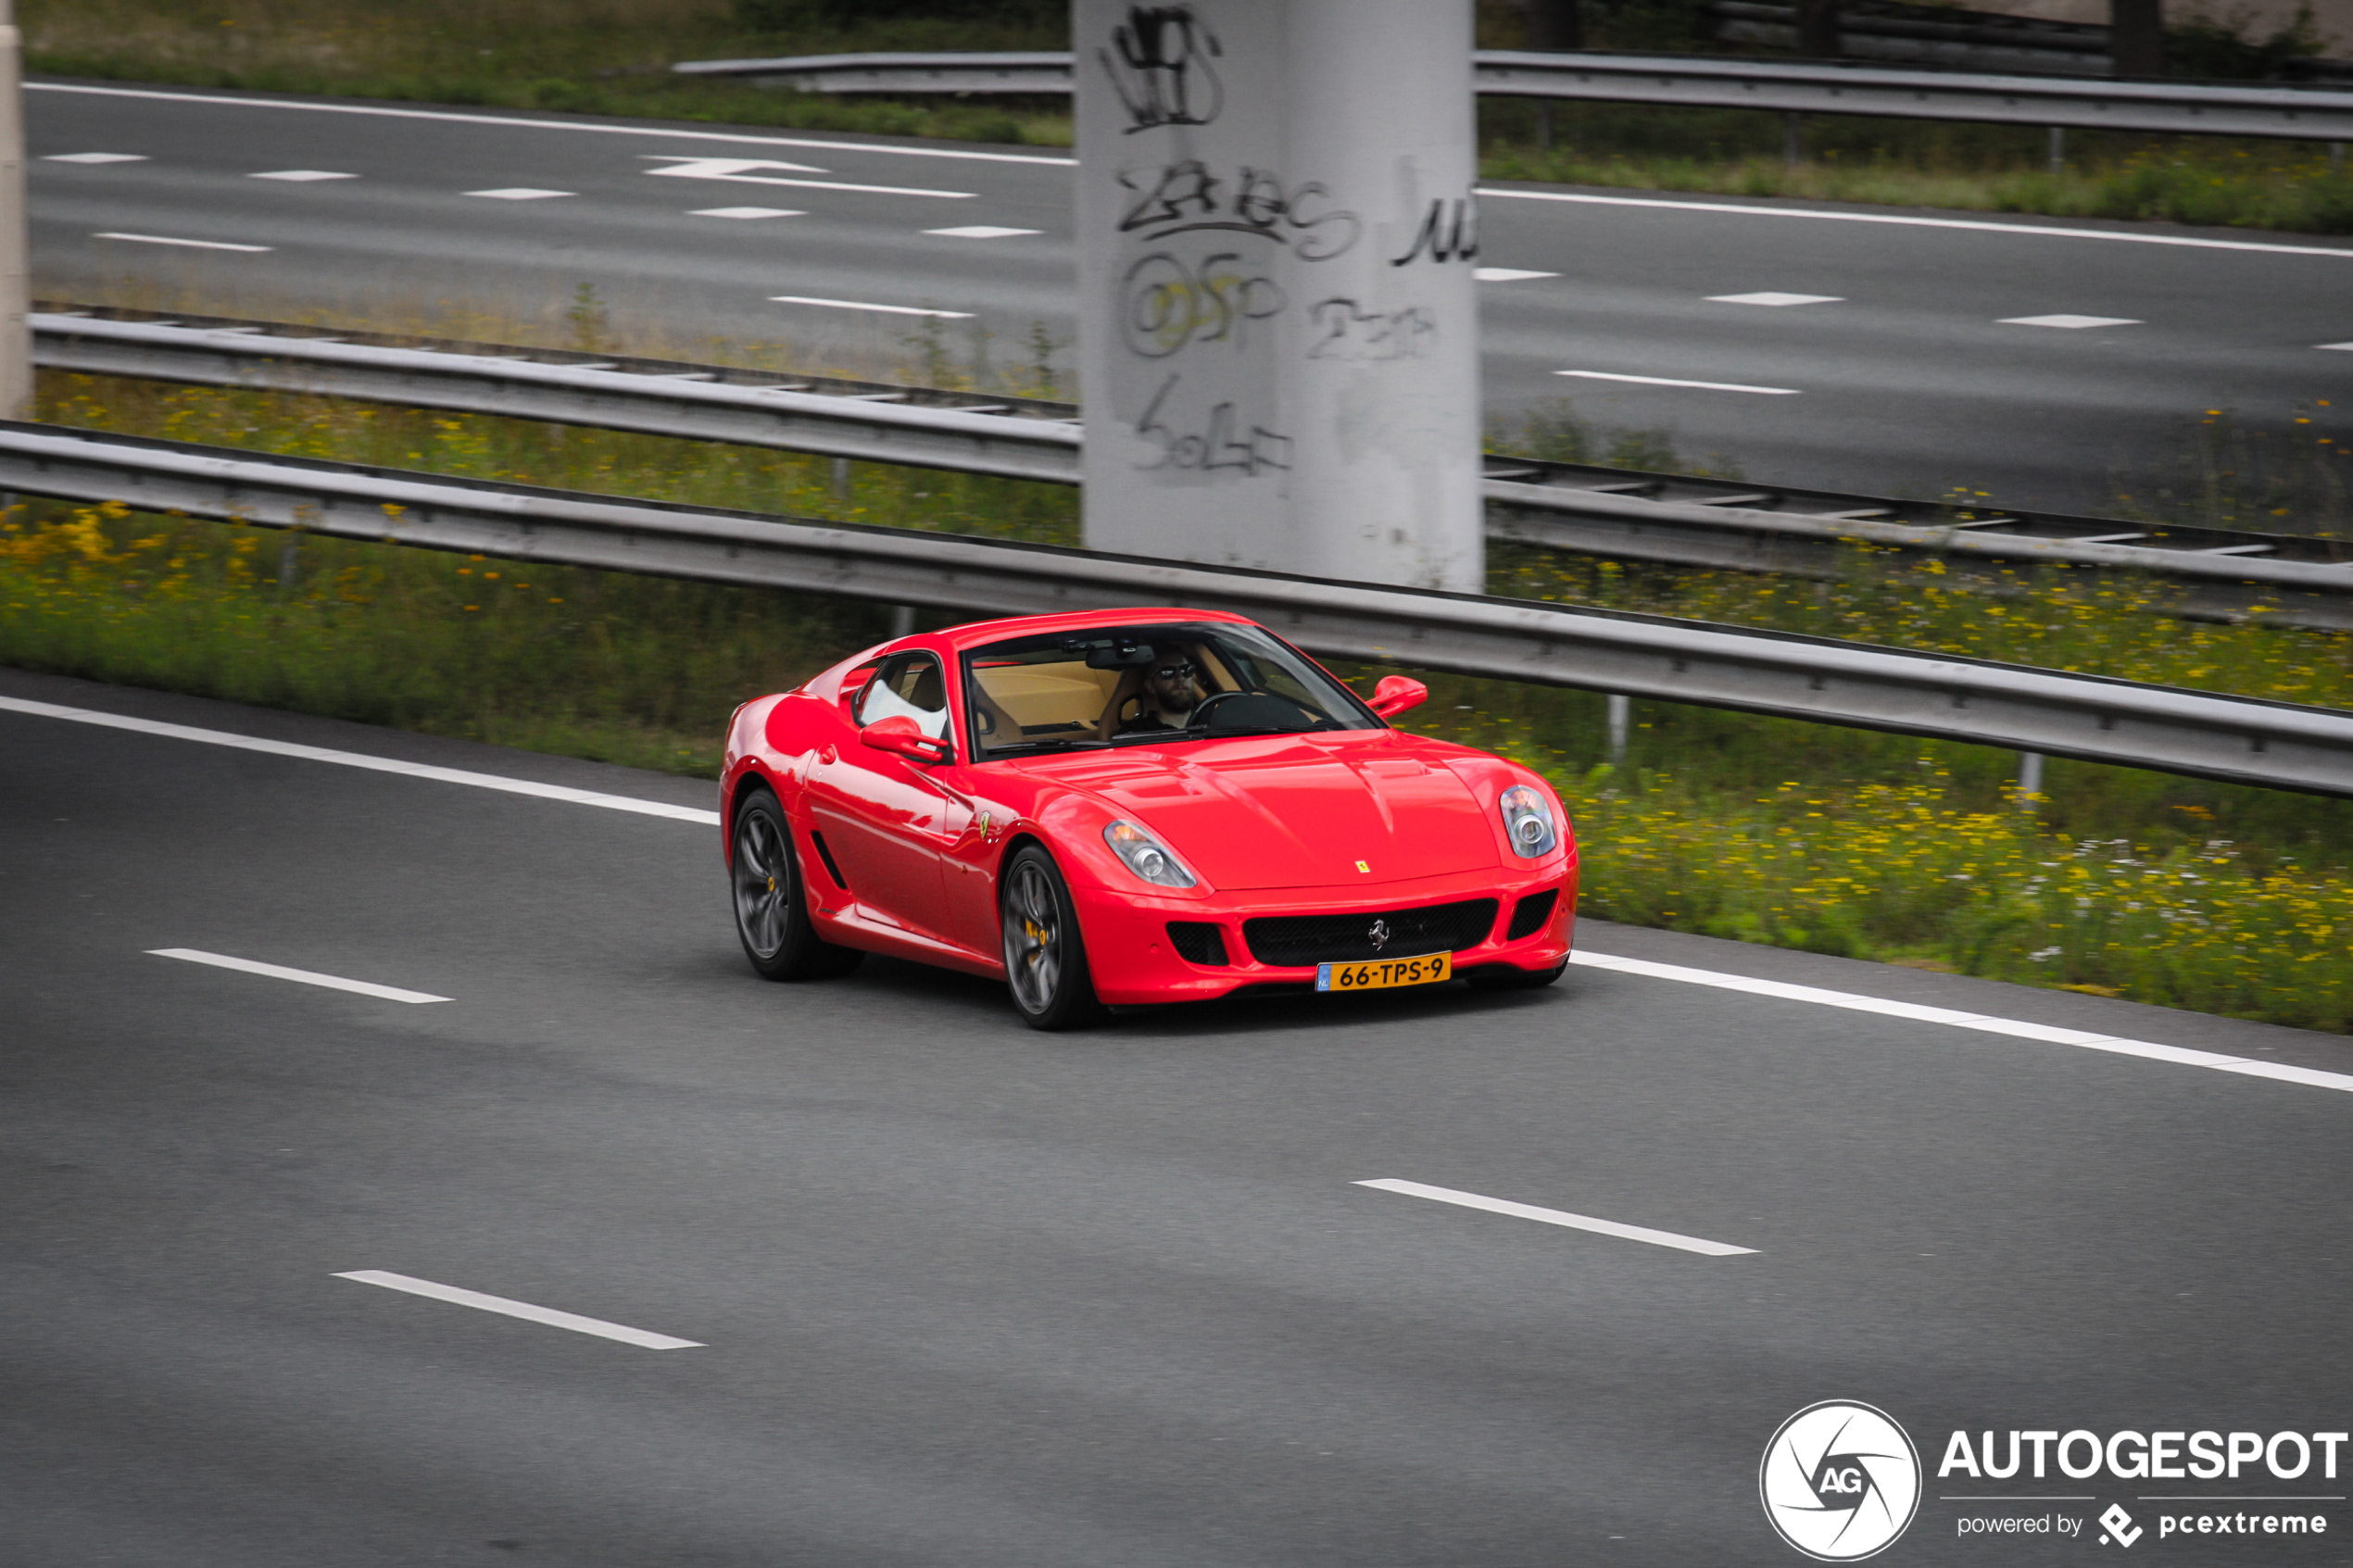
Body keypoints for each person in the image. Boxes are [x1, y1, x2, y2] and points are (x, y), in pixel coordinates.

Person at [1102, 653, 1205, 738]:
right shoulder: (1134, 734)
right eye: (1168, 672)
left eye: (1186, 670)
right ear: (1151, 686)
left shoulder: (1213, 723)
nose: (1180, 678)